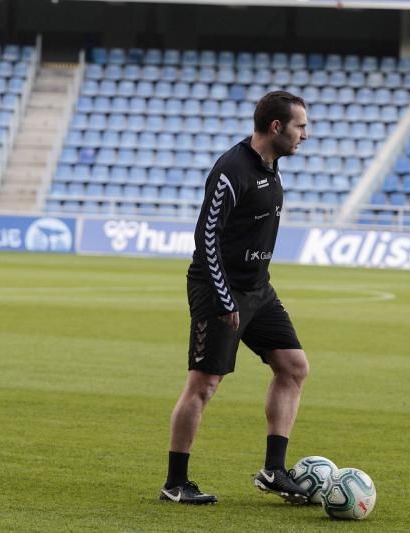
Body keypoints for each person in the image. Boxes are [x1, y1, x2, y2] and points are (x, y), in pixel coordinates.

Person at [159, 91, 311, 505]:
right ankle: (175, 483)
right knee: (204, 384)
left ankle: (274, 471)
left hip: (258, 289)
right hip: (218, 288)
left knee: (294, 367)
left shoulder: (272, 164)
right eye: (300, 126)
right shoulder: (231, 170)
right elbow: (205, 237)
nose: (306, 134)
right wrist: (225, 298)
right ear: (276, 127)